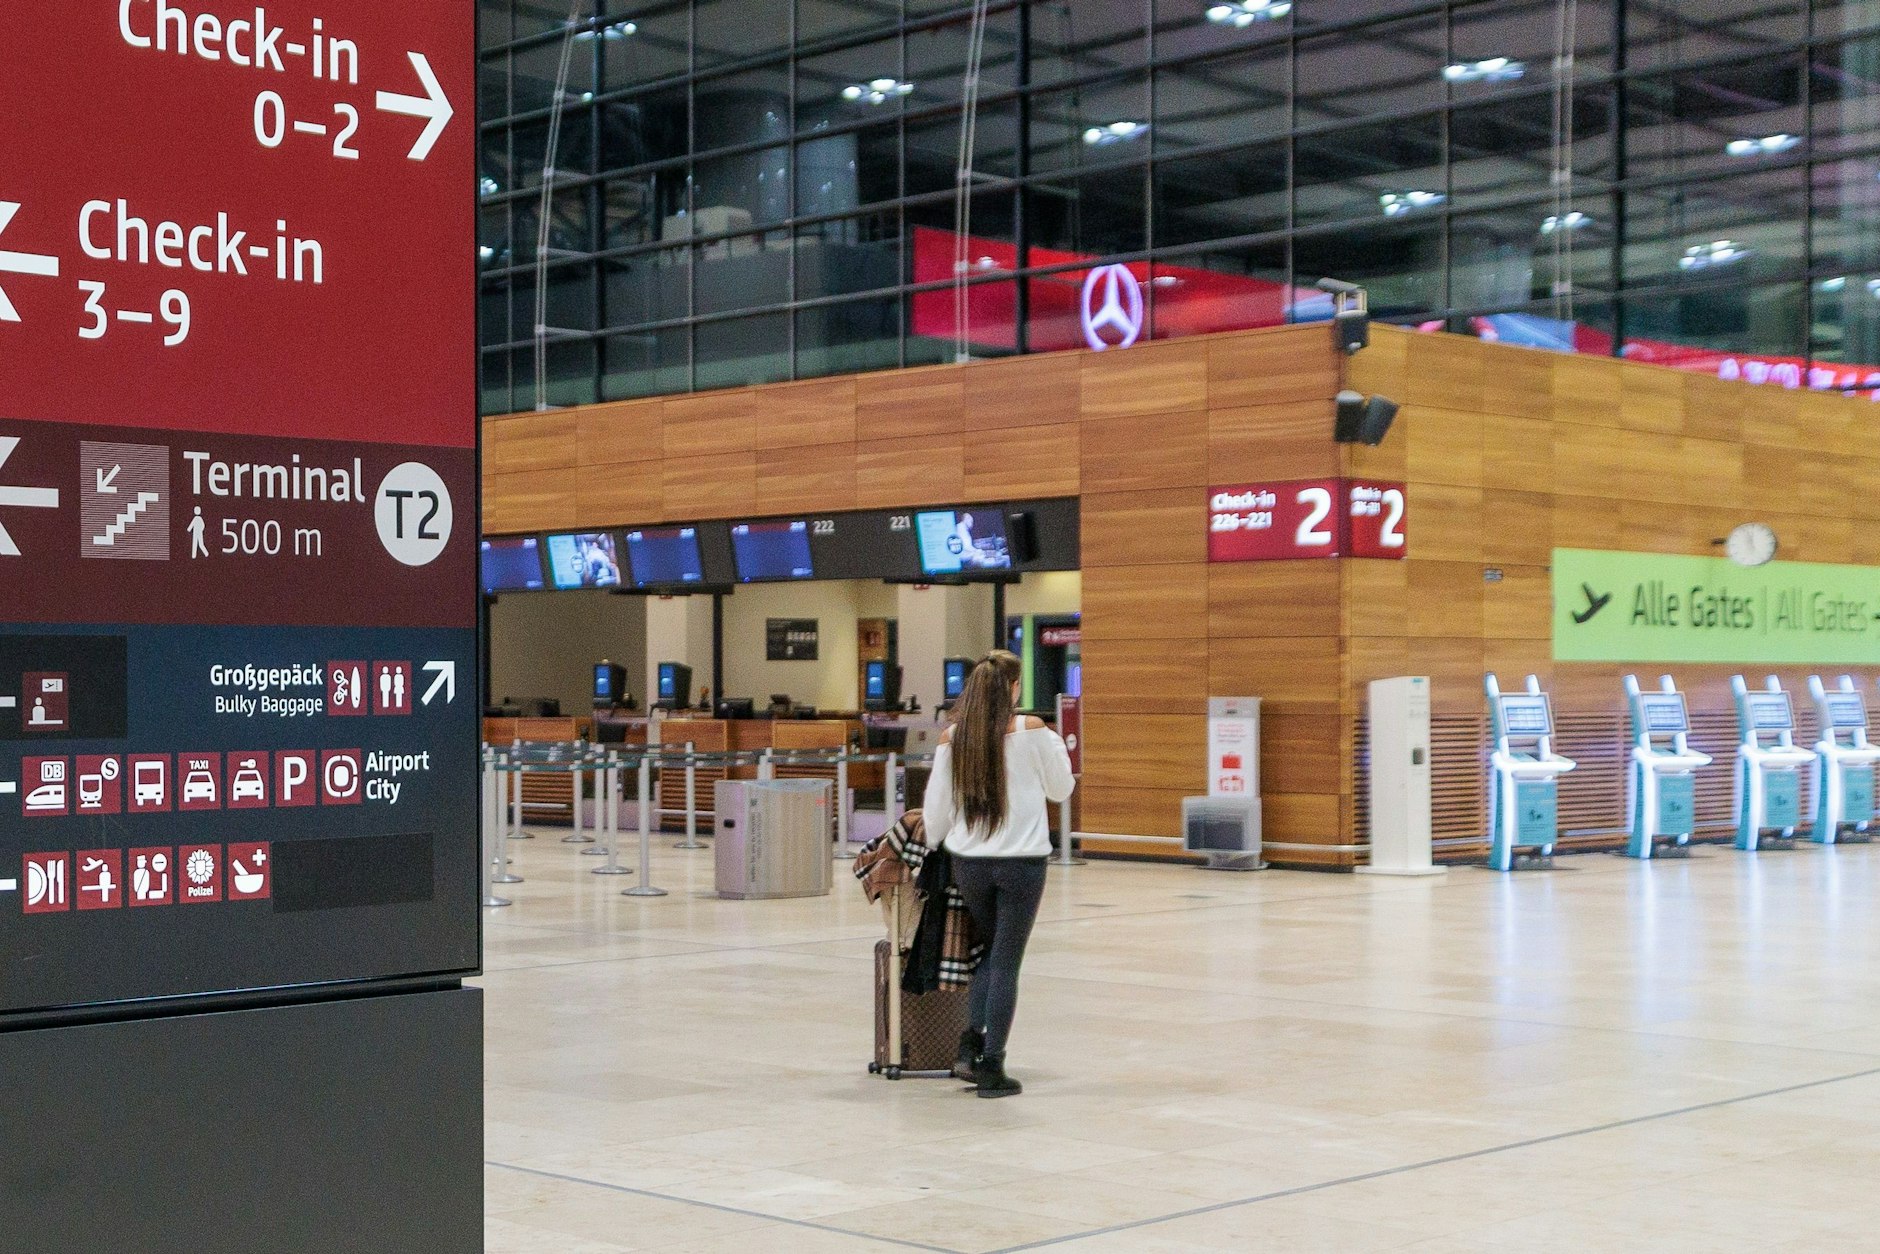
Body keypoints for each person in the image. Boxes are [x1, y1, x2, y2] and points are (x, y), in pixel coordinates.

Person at [921, 650, 1075, 1098]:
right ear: (1013, 689)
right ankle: (993, 1067)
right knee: (1007, 960)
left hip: (969, 863)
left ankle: (970, 1047)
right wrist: (1058, 748)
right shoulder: (1034, 731)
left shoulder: (954, 738)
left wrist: (937, 843)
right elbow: (1061, 789)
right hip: (1022, 864)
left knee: (990, 954)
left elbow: (937, 812)